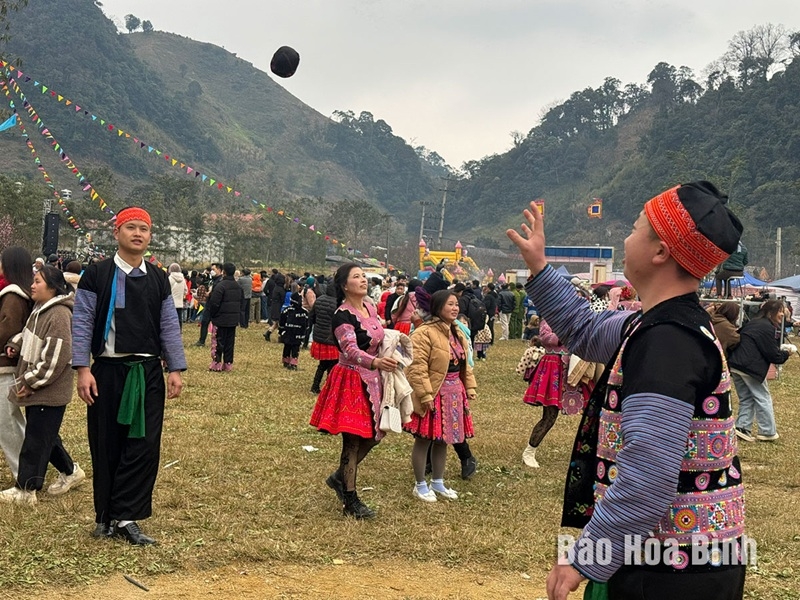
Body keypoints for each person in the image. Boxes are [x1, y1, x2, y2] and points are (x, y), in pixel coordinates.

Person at [508, 182, 747, 599]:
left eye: (637, 228)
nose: (626, 237)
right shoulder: (654, 324)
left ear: (660, 253)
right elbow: (584, 330)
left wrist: (584, 556)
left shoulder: (667, 342)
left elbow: (648, 475)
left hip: (671, 574)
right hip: (677, 561)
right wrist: (540, 267)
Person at [73, 206, 186, 545]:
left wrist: (176, 367)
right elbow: (81, 322)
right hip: (107, 372)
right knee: (106, 442)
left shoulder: (157, 277)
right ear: (117, 233)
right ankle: (104, 516)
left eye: (144, 229)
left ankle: (127, 517)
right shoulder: (97, 274)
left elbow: (169, 325)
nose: (138, 234)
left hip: (148, 372)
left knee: (144, 445)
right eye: (131, 227)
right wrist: (82, 369)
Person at [309, 263, 397, 519]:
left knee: (376, 434)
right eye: (356, 277)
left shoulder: (369, 306)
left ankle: (339, 477)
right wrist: (376, 362)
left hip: (374, 379)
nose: (363, 280)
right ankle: (350, 499)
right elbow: (350, 350)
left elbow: (379, 336)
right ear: (344, 285)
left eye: (363, 276)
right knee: (352, 439)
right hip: (350, 380)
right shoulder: (341, 315)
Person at [1, 266, 84, 505]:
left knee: (36, 442)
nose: (32, 285)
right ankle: (70, 471)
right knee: (45, 436)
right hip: (40, 388)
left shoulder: (59, 314)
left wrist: (29, 382)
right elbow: (28, 333)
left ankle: (26, 490)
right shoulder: (40, 309)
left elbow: (55, 359)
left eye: (37, 281)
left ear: (52, 287)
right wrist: (15, 344)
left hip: (48, 390)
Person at [404, 290, 476, 502]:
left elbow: (466, 363)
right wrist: (425, 395)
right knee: (424, 440)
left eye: (456, 304)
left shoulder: (457, 331)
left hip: (454, 393)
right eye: (450, 304)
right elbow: (417, 367)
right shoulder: (423, 333)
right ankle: (420, 485)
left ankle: (438, 482)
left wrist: (469, 387)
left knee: (444, 440)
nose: (455, 308)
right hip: (433, 393)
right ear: (437, 307)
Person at [520, 316, 591, 469]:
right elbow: (546, 338)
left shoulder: (575, 314)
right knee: (550, 416)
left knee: (589, 408)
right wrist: (568, 332)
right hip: (553, 368)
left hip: (573, 367)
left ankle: (589, 452)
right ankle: (529, 452)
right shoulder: (548, 316)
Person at [728, 299, 792, 442]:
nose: (782, 314)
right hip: (750, 367)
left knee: (746, 398)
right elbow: (773, 355)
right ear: (771, 313)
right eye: (780, 311)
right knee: (763, 398)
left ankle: (742, 427)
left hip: (736, 364)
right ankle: (767, 431)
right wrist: (787, 353)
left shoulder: (752, 323)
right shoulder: (767, 327)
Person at [0, 246, 34, 481]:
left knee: (8, 422)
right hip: (15, 364)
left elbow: (6, 329)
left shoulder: (13, 295)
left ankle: (24, 473)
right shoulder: (26, 291)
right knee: (13, 421)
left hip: (6, 366)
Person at [207, 262, 243, 372]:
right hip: (232, 319)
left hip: (220, 319)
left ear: (224, 272)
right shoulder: (238, 286)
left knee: (218, 342)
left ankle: (216, 363)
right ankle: (228, 364)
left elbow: (214, 303)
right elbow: (241, 303)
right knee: (229, 343)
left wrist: (213, 315)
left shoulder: (220, 286)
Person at [309, 284, 339, 393]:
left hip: (319, 336)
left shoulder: (319, 299)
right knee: (333, 365)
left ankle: (315, 386)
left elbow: (312, 316)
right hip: (332, 338)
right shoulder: (339, 303)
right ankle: (328, 387)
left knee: (322, 365)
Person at [279, 292, 309, 370]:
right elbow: (306, 325)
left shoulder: (287, 310)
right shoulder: (304, 312)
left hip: (288, 333)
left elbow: (281, 321)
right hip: (298, 334)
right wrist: (305, 334)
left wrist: (281, 331)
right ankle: (293, 363)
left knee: (287, 346)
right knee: (295, 348)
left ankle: (286, 360)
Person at [195, 263, 222, 346]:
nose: (212, 272)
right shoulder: (211, 279)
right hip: (208, 304)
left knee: (217, 325)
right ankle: (201, 340)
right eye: (211, 270)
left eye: (214, 269)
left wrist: (210, 294)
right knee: (204, 322)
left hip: (215, 305)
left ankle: (217, 341)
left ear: (219, 270)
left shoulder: (220, 280)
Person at [167, 263, 188, 331]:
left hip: (171, 302)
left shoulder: (169, 279)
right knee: (179, 318)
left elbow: (166, 290)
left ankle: (172, 329)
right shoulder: (183, 279)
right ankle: (179, 329)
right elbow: (186, 290)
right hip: (180, 302)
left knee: (171, 318)